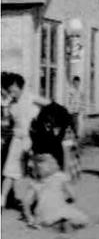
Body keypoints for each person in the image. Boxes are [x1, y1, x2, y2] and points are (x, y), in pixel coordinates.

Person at [1, 73, 39, 208]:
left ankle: (35, 203)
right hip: (17, 140)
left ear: (19, 86)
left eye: (13, 89)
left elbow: (49, 106)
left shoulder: (31, 98)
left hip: (31, 140)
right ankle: (2, 201)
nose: (11, 92)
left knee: (35, 172)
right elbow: (8, 123)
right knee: (9, 172)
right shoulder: (11, 104)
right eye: (9, 90)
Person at [23, 153, 88, 231]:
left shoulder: (34, 183)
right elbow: (73, 195)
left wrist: (29, 216)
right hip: (59, 209)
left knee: (47, 217)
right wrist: (70, 200)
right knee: (77, 216)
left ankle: (56, 224)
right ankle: (64, 222)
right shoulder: (61, 177)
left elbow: (26, 201)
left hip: (43, 215)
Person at [30, 100, 73, 170]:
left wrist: (65, 171)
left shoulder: (66, 130)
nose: (48, 127)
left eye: (50, 125)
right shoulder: (41, 124)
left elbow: (67, 153)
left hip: (65, 158)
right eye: (46, 125)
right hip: (52, 159)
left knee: (65, 148)